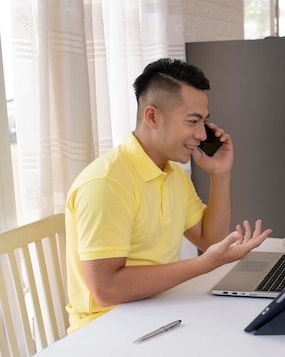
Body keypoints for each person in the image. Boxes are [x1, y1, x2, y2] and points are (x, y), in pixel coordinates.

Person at [65, 58, 272, 332]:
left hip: (156, 310)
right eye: (192, 122)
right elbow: (106, 289)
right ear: (152, 117)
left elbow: (209, 239)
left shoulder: (171, 174)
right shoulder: (107, 184)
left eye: (204, 122)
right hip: (106, 329)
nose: (200, 134)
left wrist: (220, 174)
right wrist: (203, 264)